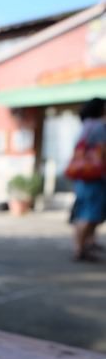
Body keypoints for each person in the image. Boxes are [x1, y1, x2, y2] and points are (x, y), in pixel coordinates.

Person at [68, 98, 106, 262]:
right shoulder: (99, 127)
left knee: (83, 212)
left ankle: (82, 246)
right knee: (90, 214)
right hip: (94, 175)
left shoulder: (86, 125)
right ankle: (81, 249)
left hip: (83, 175)